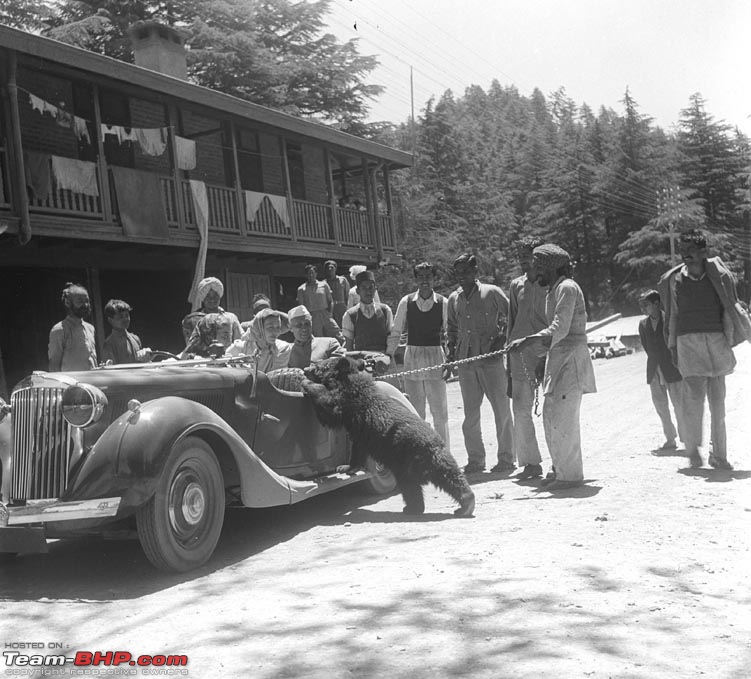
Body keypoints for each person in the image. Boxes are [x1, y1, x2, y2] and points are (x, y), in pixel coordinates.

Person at [657, 229, 751, 470]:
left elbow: (730, 307)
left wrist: (730, 339)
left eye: (691, 250)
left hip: (716, 342)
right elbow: (673, 316)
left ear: (703, 252)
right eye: (683, 250)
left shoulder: (718, 276)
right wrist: (672, 346)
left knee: (718, 405)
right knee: (693, 402)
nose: (685, 255)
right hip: (688, 345)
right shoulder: (676, 280)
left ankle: (719, 455)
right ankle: (693, 452)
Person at [508, 244, 596, 490]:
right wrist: (542, 358)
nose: (534, 272)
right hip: (557, 359)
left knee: (563, 418)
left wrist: (528, 341)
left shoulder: (567, 288)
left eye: (538, 267)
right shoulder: (552, 291)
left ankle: (570, 476)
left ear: (551, 267)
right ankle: (560, 469)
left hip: (572, 360)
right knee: (551, 416)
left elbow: (560, 328)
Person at [447, 253, 514, 474]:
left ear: (476, 272)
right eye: (458, 273)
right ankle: (476, 460)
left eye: (466, 271)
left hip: (491, 361)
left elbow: (512, 317)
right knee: (470, 415)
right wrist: (450, 358)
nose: (462, 277)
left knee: (502, 411)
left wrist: (501, 340)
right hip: (466, 363)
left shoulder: (492, 292)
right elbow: (452, 330)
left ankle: (506, 458)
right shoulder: (454, 299)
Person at [387, 262, 450, 447]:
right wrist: (388, 356)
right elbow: (396, 331)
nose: (424, 280)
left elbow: (448, 333)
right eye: (420, 277)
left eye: (428, 276)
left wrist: (449, 360)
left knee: (440, 411)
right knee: (415, 410)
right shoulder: (406, 302)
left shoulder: (443, 302)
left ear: (434, 278)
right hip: (412, 358)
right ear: (416, 279)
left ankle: (443, 453)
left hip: (435, 357)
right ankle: (419, 452)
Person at [506, 236, 549, 479]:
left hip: (546, 351)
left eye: (528, 254)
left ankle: (560, 463)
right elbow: (512, 322)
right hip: (520, 354)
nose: (523, 259)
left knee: (552, 407)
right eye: (520, 255)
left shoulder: (551, 284)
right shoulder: (515, 286)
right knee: (521, 409)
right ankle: (531, 464)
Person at [637, 289, 685, 450]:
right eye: (641, 305)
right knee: (661, 406)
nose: (643, 309)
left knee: (679, 404)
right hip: (654, 370)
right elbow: (646, 346)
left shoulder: (670, 320)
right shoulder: (643, 325)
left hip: (672, 368)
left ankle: (686, 437)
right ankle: (670, 439)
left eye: (646, 304)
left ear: (656, 304)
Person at [48, 282, 98, 372]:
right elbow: (54, 366)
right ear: (68, 303)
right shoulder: (59, 330)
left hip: (90, 383)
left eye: (87, 301)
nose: (85, 305)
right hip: (72, 384)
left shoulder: (90, 328)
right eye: (79, 301)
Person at [342, 270, 394, 353]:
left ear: (375, 289)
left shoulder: (385, 311)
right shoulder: (350, 315)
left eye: (371, 287)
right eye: (363, 288)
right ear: (357, 291)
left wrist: (388, 357)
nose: (368, 291)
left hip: (383, 359)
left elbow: (391, 339)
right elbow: (349, 347)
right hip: (361, 361)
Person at [182, 277, 242, 345]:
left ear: (219, 296)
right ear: (203, 298)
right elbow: (190, 344)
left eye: (215, 296)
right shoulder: (194, 320)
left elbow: (239, 340)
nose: (212, 299)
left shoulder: (231, 318)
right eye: (208, 296)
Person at [228, 308, 292, 372]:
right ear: (259, 329)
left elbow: (275, 377)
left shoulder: (282, 348)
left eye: (278, 327)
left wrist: (250, 372)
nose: (275, 332)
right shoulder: (240, 348)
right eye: (270, 327)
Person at [296, 264, 344, 342]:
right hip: (313, 316)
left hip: (325, 313)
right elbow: (301, 307)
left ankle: (347, 349)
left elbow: (330, 301)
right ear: (306, 275)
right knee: (318, 337)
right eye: (309, 273)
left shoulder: (324, 285)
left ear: (316, 274)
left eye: (312, 272)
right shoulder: (302, 289)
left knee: (336, 332)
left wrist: (330, 313)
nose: (311, 275)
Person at [102, 299, 152, 365]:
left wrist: (147, 356)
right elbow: (110, 370)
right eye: (120, 317)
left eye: (127, 315)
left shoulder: (135, 339)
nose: (125, 319)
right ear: (111, 320)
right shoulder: (110, 344)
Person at [323, 260, 350, 327]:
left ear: (335, 269)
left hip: (341, 308)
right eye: (328, 268)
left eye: (332, 267)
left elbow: (348, 295)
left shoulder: (342, 280)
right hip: (330, 309)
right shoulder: (323, 283)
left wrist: (348, 308)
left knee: (344, 326)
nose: (330, 269)